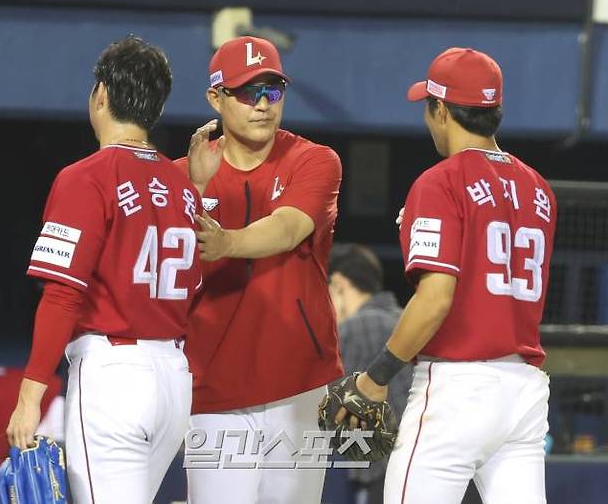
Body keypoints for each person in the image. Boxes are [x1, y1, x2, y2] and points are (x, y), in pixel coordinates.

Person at [343, 47, 557, 503]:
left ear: (441, 109)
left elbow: (436, 298)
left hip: (458, 389)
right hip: (523, 392)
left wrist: (376, 376)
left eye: (428, 107)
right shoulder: (538, 188)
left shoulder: (440, 181)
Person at [5, 36, 202, 504]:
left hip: (113, 376)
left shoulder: (85, 177)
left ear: (101, 95)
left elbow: (61, 295)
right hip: (174, 379)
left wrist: (29, 399)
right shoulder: (184, 187)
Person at [176, 36, 344, 504]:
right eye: (250, 92)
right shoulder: (180, 177)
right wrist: (192, 188)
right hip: (213, 388)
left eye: (274, 91)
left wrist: (228, 241)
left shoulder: (314, 160)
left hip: (298, 384)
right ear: (216, 97)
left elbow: (289, 227)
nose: (265, 105)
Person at [328, 243, 413, 504]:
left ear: (339, 284)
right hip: (426, 468)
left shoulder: (356, 328)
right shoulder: (407, 321)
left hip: (387, 476)